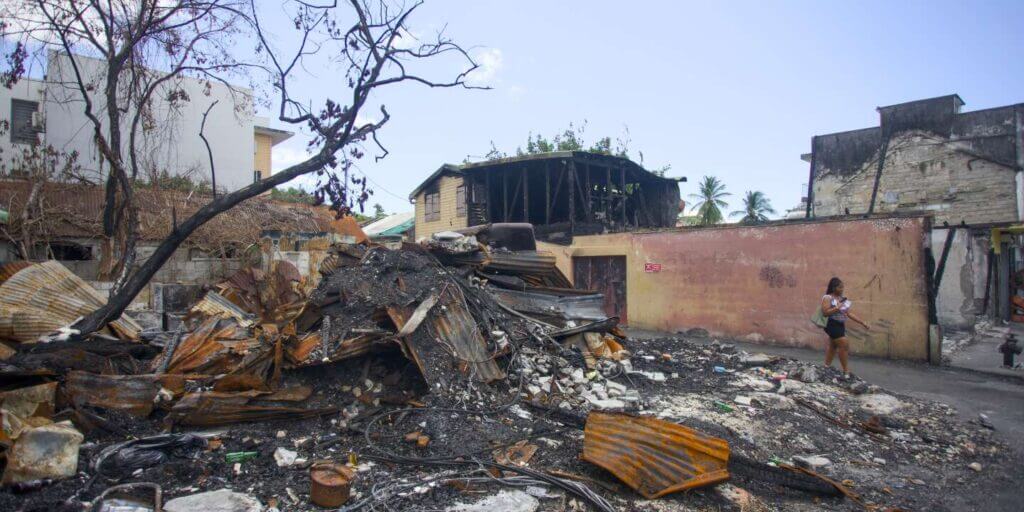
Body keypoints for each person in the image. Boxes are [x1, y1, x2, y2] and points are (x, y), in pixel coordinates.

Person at [821, 277, 870, 378]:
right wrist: (836, 308)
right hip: (831, 324)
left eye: (843, 287)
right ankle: (846, 371)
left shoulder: (842, 299)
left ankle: (826, 367)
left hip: (840, 325)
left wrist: (862, 322)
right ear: (834, 288)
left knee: (833, 346)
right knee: (844, 344)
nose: (842, 289)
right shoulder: (828, 298)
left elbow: (849, 313)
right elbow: (825, 313)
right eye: (840, 287)